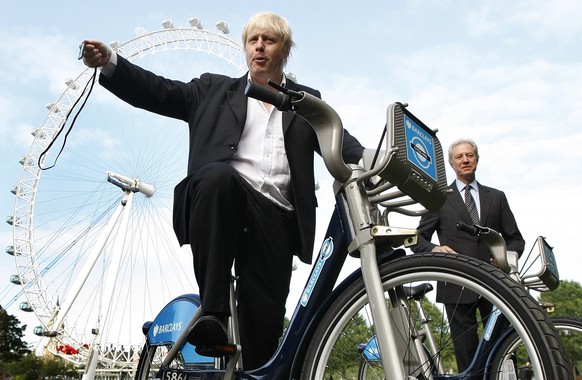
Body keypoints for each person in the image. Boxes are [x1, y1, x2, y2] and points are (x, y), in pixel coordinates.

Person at [81, 11, 364, 370]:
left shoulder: (307, 102)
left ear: (285, 50)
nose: (259, 47)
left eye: (269, 40)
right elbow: (158, 91)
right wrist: (111, 64)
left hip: (277, 218)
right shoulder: (212, 89)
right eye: (253, 40)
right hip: (224, 201)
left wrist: (379, 162)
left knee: (264, 326)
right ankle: (212, 313)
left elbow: (342, 143)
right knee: (217, 176)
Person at [411, 138, 524, 374]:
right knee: (467, 355)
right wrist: (434, 249)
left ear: (477, 159)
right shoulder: (439, 197)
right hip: (456, 283)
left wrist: (506, 257)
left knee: (504, 350)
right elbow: (418, 239)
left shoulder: (497, 197)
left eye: (470, 155)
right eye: (460, 156)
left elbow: (515, 238)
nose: (465, 160)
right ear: (451, 163)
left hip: (496, 282)